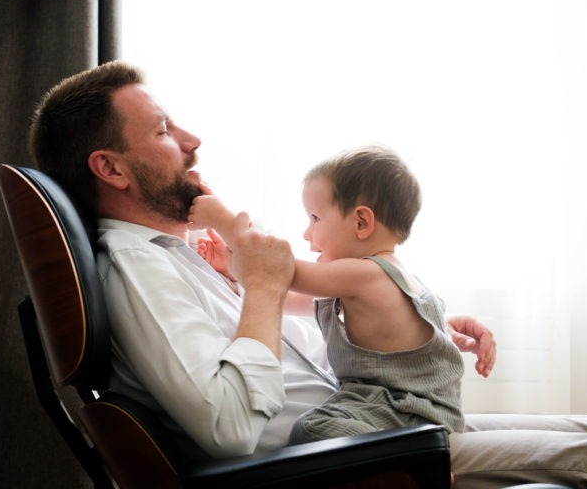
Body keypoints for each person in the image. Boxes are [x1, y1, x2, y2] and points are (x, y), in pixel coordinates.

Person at [27, 60, 587, 488]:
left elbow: (317, 319)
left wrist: (413, 325)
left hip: (380, 422)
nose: (193, 139)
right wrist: (266, 284)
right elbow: (227, 428)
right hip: (351, 460)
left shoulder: (181, 256)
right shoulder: (138, 269)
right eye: (164, 130)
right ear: (110, 168)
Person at [188, 144, 465, 443]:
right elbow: (283, 292)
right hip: (390, 408)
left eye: (315, 219)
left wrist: (221, 219)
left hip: (406, 414)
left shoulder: (368, 275)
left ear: (361, 223)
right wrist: (233, 268)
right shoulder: (365, 280)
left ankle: (417, 461)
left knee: (312, 428)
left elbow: (279, 269)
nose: (307, 233)